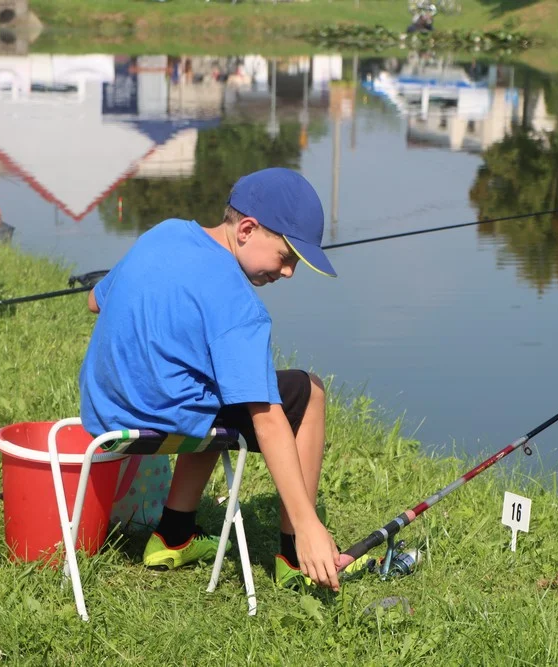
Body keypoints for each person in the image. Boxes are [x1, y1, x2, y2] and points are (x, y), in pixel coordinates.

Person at [79, 168, 359, 591]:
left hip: (107, 412)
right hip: (165, 421)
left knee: (210, 380)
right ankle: (295, 554)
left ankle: (174, 535)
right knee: (309, 390)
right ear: (247, 229)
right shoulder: (240, 306)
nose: (288, 274)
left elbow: (93, 301)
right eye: (286, 258)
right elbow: (267, 420)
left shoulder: (164, 233)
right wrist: (310, 524)